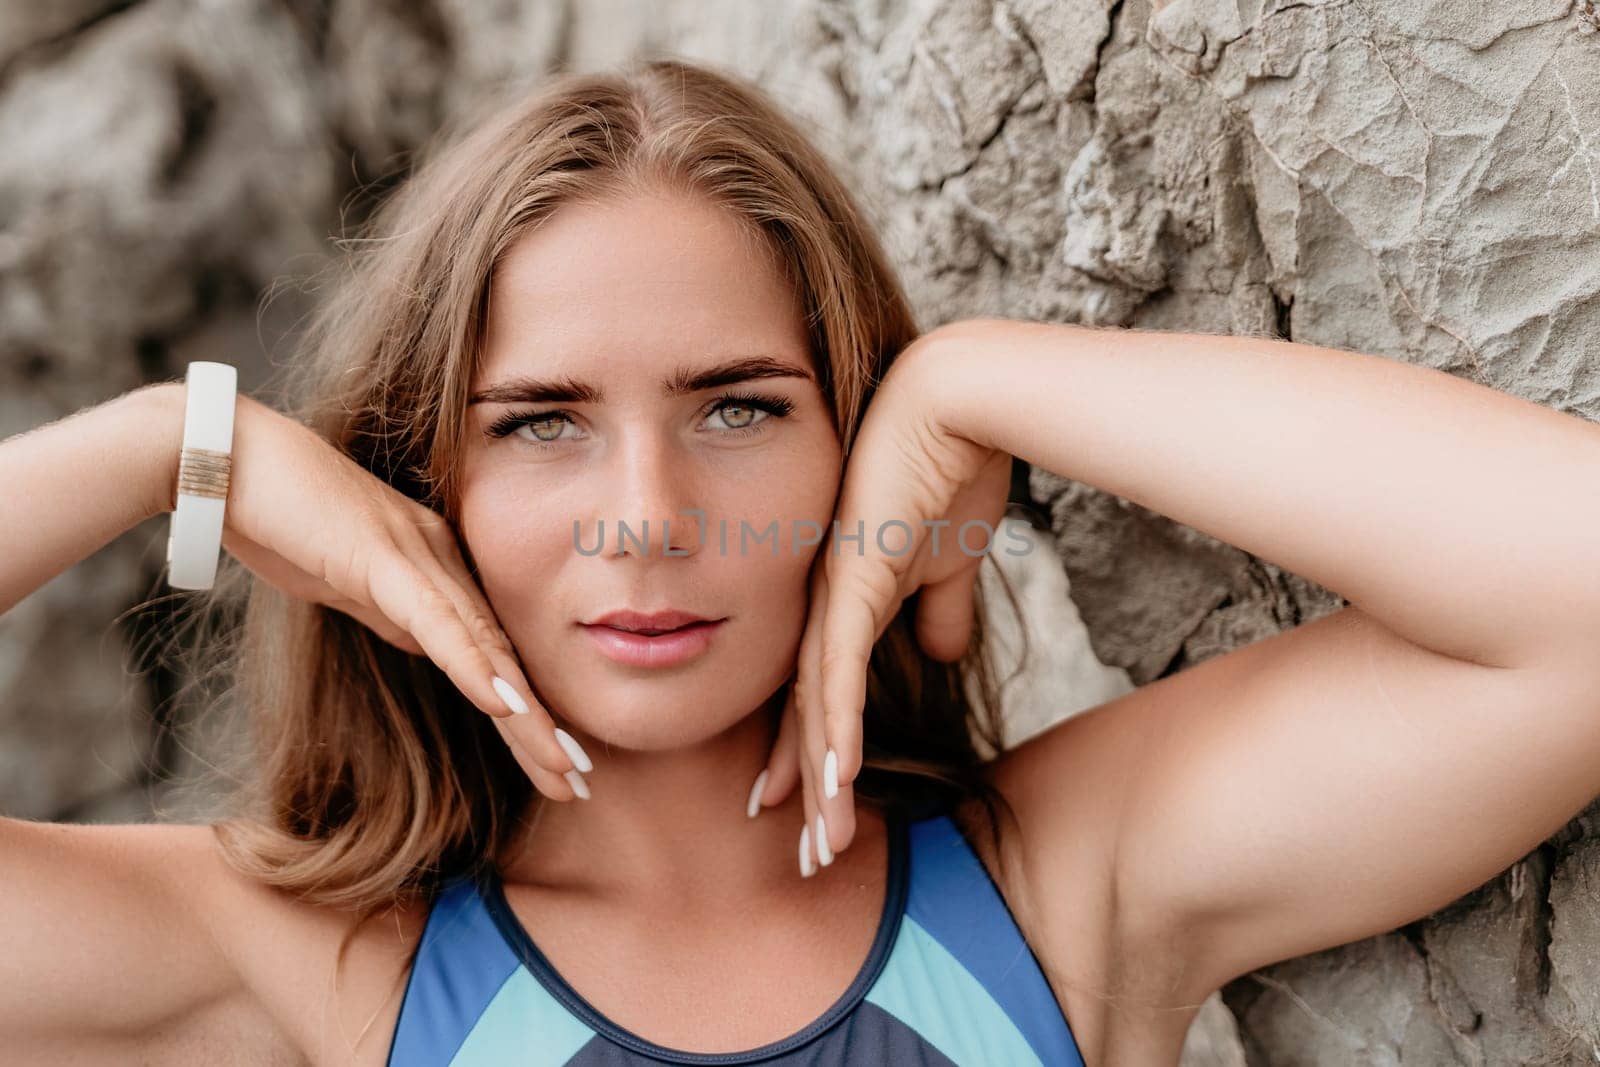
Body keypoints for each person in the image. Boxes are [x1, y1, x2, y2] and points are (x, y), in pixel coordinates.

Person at [4, 54, 1600, 1067]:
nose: (650, 513)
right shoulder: (314, 966)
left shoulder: (1056, 892)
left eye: (742, 407)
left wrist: (982, 384)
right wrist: (176, 447)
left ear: (853, 456)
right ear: (420, 482)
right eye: (540, 423)